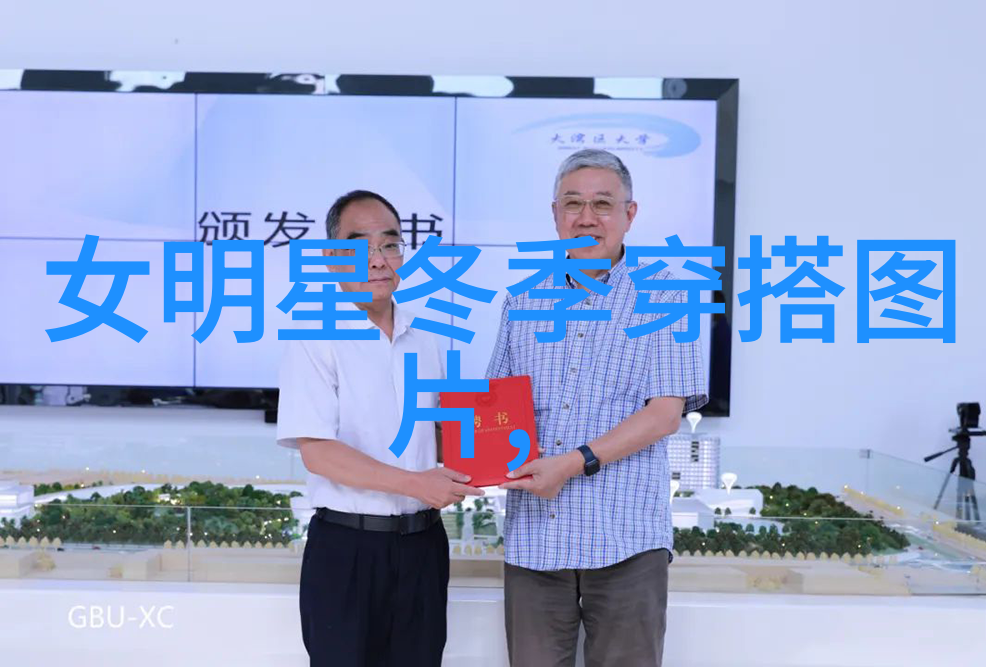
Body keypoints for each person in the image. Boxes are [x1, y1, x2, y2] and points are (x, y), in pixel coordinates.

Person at [487, 150, 708, 666]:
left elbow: (664, 414)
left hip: (626, 540)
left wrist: (571, 463)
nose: (586, 218)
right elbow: (497, 409)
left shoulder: (666, 297)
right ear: (555, 215)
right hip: (536, 539)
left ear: (630, 214)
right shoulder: (523, 300)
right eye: (573, 204)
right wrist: (466, 457)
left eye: (603, 204)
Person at [277, 189, 483, 667]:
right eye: (360, 246)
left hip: (423, 546)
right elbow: (317, 451)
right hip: (347, 550)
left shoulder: (428, 339)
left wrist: (500, 456)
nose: (378, 259)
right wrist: (416, 483)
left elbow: (443, 438)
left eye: (389, 244)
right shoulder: (313, 336)